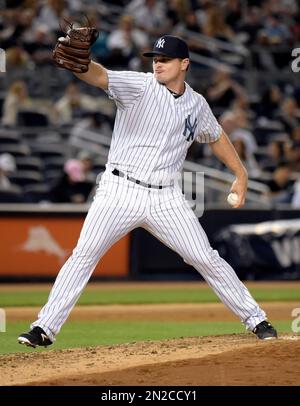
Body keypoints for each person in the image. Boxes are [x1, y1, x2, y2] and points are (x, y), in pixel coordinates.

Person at [18, 35, 277, 348]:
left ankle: (256, 319)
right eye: (155, 58)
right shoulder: (139, 85)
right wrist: (82, 65)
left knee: (205, 257)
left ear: (184, 64)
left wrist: (241, 173)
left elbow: (217, 135)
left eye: (165, 59)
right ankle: (44, 327)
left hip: (166, 196)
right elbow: (99, 75)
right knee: (83, 255)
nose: (158, 63)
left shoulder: (197, 104)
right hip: (119, 189)